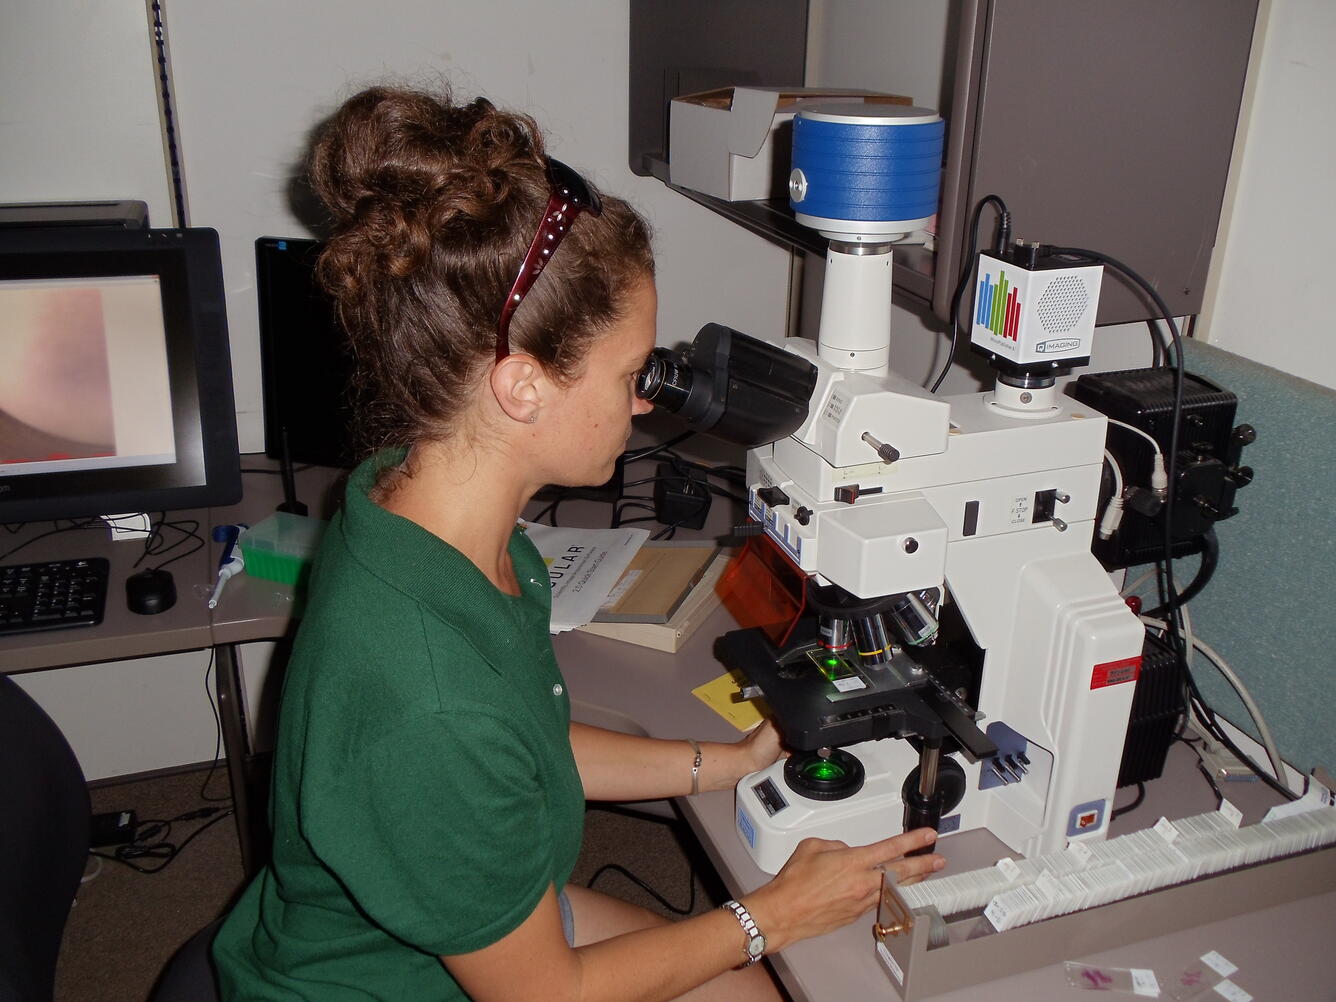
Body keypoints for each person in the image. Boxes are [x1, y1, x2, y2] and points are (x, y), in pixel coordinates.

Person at [211, 84, 944, 1002]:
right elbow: (543, 992)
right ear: (522, 387)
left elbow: (523, 743)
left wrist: (727, 762)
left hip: (466, 916)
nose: (645, 400)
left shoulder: (418, 509)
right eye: (632, 372)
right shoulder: (431, 700)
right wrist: (774, 916)